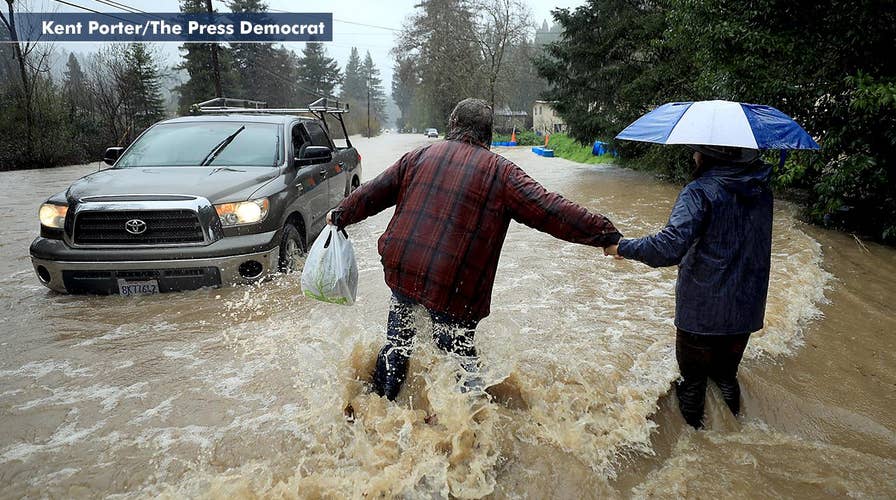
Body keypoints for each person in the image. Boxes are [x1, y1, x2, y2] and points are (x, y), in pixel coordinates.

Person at [328, 98, 622, 400]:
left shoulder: (417, 157)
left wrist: (339, 214)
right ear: (488, 135)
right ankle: (469, 419)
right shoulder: (501, 173)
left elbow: (372, 192)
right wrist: (605, 234)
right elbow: (551, 210)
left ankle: (379, 405)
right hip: (453, 283)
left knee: (398, 344)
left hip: (404, 268)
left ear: (453, 126)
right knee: (459, 359)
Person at [605, 145, 773, 429]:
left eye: (697, 151)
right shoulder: (761, 189)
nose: (693, 156)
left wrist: (622, 247)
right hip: (746, 306)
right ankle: (735, 433)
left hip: (702, 309)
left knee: (692, 384)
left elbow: (669, 247)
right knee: (726, 377)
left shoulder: (699, 191)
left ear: (709, 155)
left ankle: (697, 445)